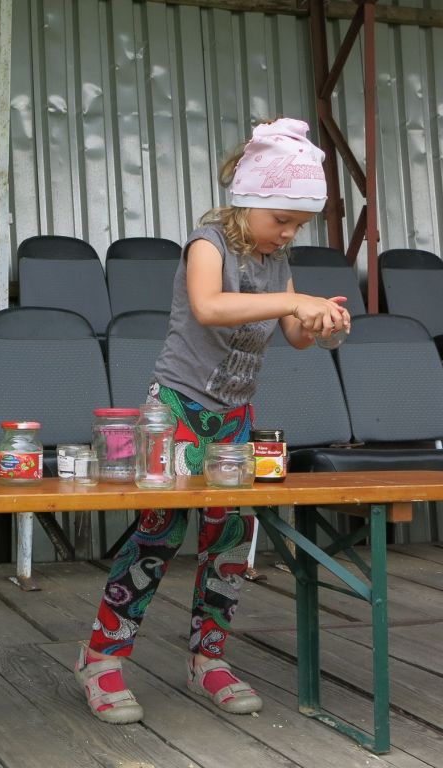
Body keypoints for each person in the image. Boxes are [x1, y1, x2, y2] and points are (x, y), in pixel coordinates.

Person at [76, 118, 350, 724]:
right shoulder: (208, 245)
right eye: (282, 219)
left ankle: (209, 658)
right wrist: (292, 300)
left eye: (299, 224)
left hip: (233, 418)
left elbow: (293, 336)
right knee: (158, 531)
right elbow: (209, 306)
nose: (289, 233)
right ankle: (101, 659)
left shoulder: (278, 261)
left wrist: (318, 321)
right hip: (177, 410)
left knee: (230, 538)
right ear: (248, 200)